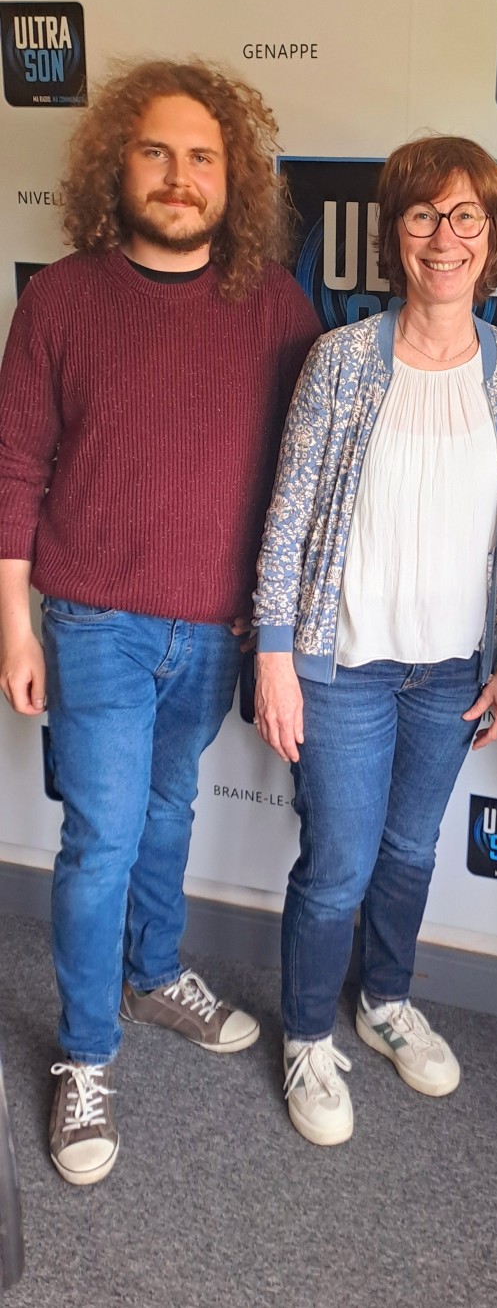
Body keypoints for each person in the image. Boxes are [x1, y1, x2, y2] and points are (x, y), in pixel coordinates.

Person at [0, 60, 321, 1185]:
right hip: (95, 621)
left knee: (171, 808)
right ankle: (86, 1055)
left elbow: (306, 474)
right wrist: (14, 623)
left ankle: (151, 972)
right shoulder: (61, 299)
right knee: (101, 838)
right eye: (156, 152)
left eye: (201, 157)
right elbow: (14, 467)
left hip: (214, 629)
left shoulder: (276, 308)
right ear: (116, 166)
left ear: (232, 179)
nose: (179, 177)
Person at [254, 135, 497, 1146]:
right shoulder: (339, 360)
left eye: (467, 216)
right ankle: (305, 1034)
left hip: (451, 670)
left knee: (411, 851)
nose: (444, 236)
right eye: (423, 215)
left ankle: (383, 1000)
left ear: (492, 240)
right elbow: (288, 513)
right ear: (394, 236)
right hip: (342, 667)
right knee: (337, 863)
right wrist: (274, 656)